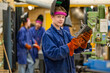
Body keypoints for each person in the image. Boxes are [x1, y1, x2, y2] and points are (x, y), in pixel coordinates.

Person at [42, 0, 92, 73]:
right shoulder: (47, 35)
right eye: (58, 16)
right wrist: (70, 46)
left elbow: (75, 48)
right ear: (52, 16)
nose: (61, 19)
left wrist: (83, 42)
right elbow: (54, 54)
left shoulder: (66, 34)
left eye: (63, 17)